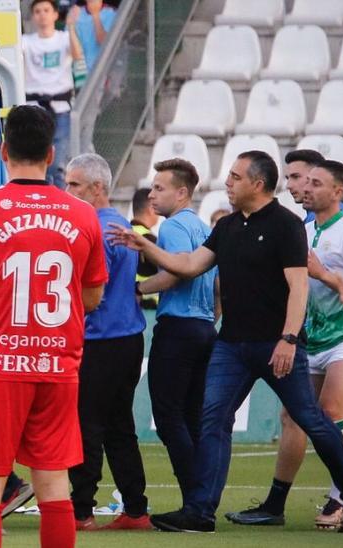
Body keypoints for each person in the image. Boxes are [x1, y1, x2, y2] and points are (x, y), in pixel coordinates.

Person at [107, 150, 343, 534]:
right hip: (230, 345)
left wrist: (288, 338)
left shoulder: (286, 225)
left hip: (275, 344)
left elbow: (298, 286)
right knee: (213, 420)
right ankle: (200, 512)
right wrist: (145, 246)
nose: (227, 183)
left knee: (310, 418)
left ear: (258, 184)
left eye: (235, 177)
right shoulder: (229, 226)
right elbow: (190, 265)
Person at [0, 104, 108, 548]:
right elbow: (92, 297)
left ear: (3, 151)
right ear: (52, 154)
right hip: (56, 363)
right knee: (54, 484)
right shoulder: (82, 215)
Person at [225, 159, 343, 529]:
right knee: (293, 417)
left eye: (316, 183)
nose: (305, 188)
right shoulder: (302, 228)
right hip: (311, 338)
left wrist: (322, 275)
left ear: (338, 192)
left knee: (331, 411)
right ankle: (276, 502)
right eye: (304, 181)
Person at [63, 153, 151, 531]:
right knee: (119, 426)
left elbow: (90, 293)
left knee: (87, 426)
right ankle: (135, 508)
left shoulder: (95, 230)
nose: (67, 192)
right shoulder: (120, 225)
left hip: (98, 340)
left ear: (98, 188)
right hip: (128, 337)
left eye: (74, 185)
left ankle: (81, 511)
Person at [136, 159, 217, 509]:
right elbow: (218, 287)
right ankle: (202, 498)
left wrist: (137, 290)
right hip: (203, 328)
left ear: (181, 192)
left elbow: (176, 272)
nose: (152, 195)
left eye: (160, 188)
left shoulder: (173, 228)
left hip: (178, 328)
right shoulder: (203, 228)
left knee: (169, 417)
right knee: (192, 416)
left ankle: (195, 500)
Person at [23, 0, 80, 187]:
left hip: (59, 107)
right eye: (37, 11)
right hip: (34, 108)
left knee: (58, 163)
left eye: (46, 10)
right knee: (34, 160)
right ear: (32, 16)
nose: (42, 15)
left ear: (55, 14)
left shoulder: (63, 38)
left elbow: (77, 54)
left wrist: (71, 27)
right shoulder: (26, 42)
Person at [130, 187, 160, 309]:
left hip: (127, 303)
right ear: (150, 209)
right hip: (148, 307)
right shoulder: (149, 239)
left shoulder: (123, 234)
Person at [68, 0, 116, 74]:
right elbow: (71, 51)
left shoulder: (111, 13)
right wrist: (71, 25)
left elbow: (104, 42)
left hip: (103, 73)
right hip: (80, 73)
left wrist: (95, 14)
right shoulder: (76, 12)